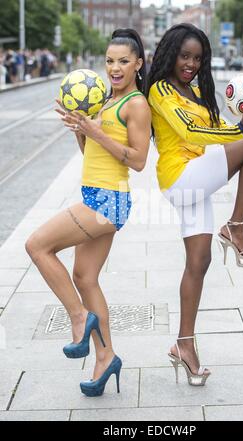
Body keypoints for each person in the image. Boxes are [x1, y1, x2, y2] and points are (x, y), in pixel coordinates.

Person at [147, 23, 243, 387]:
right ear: (170, 54)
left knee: (199, 261)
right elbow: (192, 134)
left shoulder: (195, 91)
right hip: (180, 175)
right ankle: (236, 227)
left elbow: (222, 131)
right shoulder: (161, 90)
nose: (191, 64)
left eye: (197, 58)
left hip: (194, 180)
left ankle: (184, 345)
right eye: (185, 56)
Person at [25, 29, 151, 397]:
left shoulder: (135, 104)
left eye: (124, 61)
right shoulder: (104, 100)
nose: (115, 67)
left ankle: (79, 318)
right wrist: (79, 130)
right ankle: (106, 357)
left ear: (138, 64)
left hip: (107, 201)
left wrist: (95, 132)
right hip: (96, 193)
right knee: (85, 279)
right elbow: (93, 156)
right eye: (110, 60)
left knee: (37, 246)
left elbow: (139, 161)